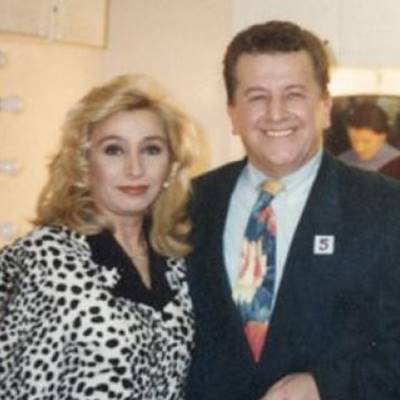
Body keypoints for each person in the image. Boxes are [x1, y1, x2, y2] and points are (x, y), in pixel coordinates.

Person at [186, 20, 400, 400]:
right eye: (257, 97)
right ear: (232, 113)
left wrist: (326, 385)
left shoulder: (386, 208)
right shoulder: (188, 205)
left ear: (326, 107)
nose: (276, 113)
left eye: (294, 94)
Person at [0, 74, 199, 399]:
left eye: (151, 150)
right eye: (114, 150)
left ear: (171, 165)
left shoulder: (175, 261)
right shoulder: (47, 257)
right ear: (84, 162)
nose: (135, 169)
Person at [338, 102, 400, 179]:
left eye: (366, 142)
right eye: (354, 140)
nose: (359, 148)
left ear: (382, 137)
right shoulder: (341, 162)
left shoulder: (397, 165)